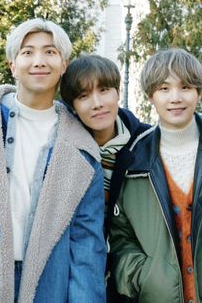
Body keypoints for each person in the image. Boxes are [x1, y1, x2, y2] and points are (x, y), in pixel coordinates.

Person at [0, 18, 106, 303]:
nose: (39, 60)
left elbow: (87, 247)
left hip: (51, 284)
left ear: (63, 64)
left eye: (50, 52)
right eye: (27, 52)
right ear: (12, 64)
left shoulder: (82, 151)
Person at [109, 48, 202, 303]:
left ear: (198, 92)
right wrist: (145, 276)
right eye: (164, 89)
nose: (176, 98)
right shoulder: (134, 160)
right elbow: (121, 237)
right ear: (150, 96)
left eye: (186, 87)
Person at [60, 54, 151, 303]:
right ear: (73, 106)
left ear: (118, 92)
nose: (97, 103)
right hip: (81, 278)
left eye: (104, 90)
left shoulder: (148, 143)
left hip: (136, 282)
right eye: (83, 96)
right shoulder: (65, 153)